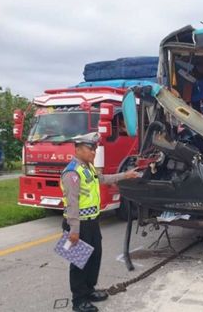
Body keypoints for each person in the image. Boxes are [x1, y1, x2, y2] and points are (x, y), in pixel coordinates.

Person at [60, 132, 140, 312]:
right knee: (79, 262)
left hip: (92, 222)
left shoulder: (88, 167)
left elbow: (102, 179)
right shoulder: (72, 172)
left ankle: (89, 290)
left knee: (94, 258)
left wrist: (125, 175)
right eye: (90, 149)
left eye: (95, 149)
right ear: (78, 149)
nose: (94, 152)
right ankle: (78, 301)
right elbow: (72, 203)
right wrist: (74, 230)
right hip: (78, 224)